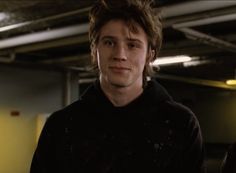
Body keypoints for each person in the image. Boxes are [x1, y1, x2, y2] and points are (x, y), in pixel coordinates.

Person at [30, 0, 206, 172]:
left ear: (149, 55)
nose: (120, 55)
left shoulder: (181, 124)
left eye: (132, 45)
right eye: (109, 42)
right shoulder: (61, 127)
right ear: (94, 49)